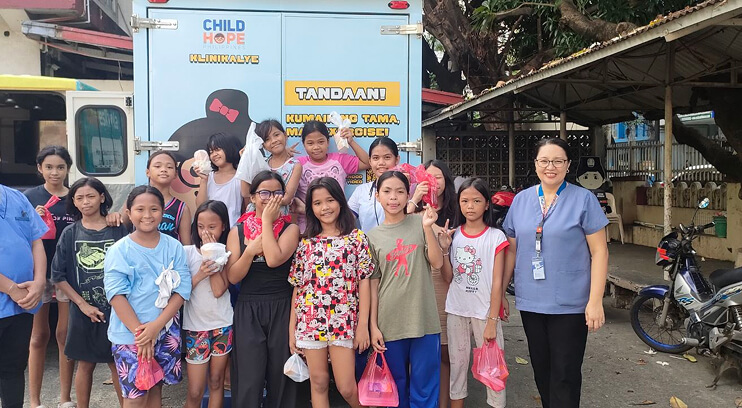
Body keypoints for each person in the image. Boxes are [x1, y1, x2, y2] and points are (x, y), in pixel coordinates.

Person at [502, 138, 609, 408]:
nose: (551, 167)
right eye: (544, 161)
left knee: (565, 374)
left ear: (568, 165)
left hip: (571, 304)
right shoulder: (522, 201)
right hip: (531, 301)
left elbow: (600, 253)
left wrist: (595, 302)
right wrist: (500, 294)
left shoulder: (584, 199)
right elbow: (512, 251)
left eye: (558, 161)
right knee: (541, 370)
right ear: (536, 164)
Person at [288, 177, 372, 408]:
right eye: (317, 203)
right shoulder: (305, 243)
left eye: (330, 200)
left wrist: (362, 325)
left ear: (341, 202)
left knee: (346, 387)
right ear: (311, 208)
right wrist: (292, 329)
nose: (325, 207)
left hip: (343, 323)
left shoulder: (357, 239)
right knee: (319, 382)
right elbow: (298, 286)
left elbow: (364, 282)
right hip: (309, 322)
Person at [104, 186, 192, 407]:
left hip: (165, 329)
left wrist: (156, 327)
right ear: (128, 211)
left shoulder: (174, 246)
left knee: (155, 388)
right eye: (140, 209)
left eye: (154, 209)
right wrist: (142, 334)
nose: (147, 215)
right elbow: (116, 295)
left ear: (162, 212)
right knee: (136, 396)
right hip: (130, 334)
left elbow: (182, 290)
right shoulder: (119, 250)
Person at [367, 171, 444, 408]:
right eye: (387, 192)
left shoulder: (421, 223)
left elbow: (437, 262)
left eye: (400, 191)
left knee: (425, 387)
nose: (394, 198)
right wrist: (373, 326)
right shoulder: (371, 237)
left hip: (424, 320)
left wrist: (429, 228)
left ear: (408, 195)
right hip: (389, 323)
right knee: (394, 389)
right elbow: (373, 284)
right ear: (378, 196)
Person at [226, 171, 300, 408]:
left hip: (283, 304)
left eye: (277, 193)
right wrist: (249, 251)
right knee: (249, 376)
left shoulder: (290, 229)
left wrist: (267, 222)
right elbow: (233, 276)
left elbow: (274, 260)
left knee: (282, 374)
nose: (271, 198)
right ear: (252, 196)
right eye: (264, 193)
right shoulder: (237, 231)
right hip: (248, 306)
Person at [51, 178, 127, 408]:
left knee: (118, 363)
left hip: (117, 311)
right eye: (80, 198)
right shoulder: (70, 233)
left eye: (91, 196)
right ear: (73, 201)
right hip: (83, 310)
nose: (86, 202)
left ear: (102, 197)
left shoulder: (118, 229)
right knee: (85, 364)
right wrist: (82, 305)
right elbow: (58, 275)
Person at [440, 178, 508, 408]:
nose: (470, 206)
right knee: (458, 367)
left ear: (487, 204)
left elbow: (497, 282)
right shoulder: (454, 235)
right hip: (457, 311)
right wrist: (444, 250)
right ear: (458, 204)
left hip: (484, 314)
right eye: (465, 201)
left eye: (476, 201)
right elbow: (448, 277)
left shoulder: (496, 237)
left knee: (493, 370)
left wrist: (492, 319)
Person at [23, 145, 76, 408]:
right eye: (49, 167)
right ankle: (34, 401)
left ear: (68, 169)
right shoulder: (30, 197)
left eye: (60, 167)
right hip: (38, 275)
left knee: (64, 334)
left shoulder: (76, 196)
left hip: (67, 275)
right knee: (38, 336)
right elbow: (18, 234)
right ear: (39, 168)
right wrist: (34, 218)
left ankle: (65, 399)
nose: (55, 173)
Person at [408, 159, 459, 407]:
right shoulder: (413, 210)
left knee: (446, 354)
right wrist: (414, 199)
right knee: (420, 354)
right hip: (416, 286)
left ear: (445, 182)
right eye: (427, 177)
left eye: (437, 177)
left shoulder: (456, 209)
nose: (432, 182)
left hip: (447, 287)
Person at [0, 184, 47, 408]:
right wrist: (11, 289)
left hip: (21, 306)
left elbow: (36, 241)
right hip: (17, 296)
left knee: (13, 370)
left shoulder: (17, 197)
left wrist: (39, 282)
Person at [183, 201, 233, 408]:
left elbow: (219, 290)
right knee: (195, 390)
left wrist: (212, 254)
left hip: (222, 323)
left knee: (216, 381)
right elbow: (181, 292)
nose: (205, 232)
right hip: (196, 328)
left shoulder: (228, 253)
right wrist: (201, 271)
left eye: (212, 227)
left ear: (223, 227)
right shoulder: (186, 253)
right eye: (201, 227)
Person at [295, 120, 370, 232]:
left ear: (328, 142)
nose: (316, 147)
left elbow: (367, 162)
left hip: (338, 225)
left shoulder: (339, 160)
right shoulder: (297, 165)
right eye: (310, 143)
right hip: (308, 226)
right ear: (303, 144)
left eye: (321, 142)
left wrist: (351, 141)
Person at [107, 151, 192, 244]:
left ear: (175, 174)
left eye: (169, 167)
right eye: (157, 166)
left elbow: (186, 246)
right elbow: (121, 227)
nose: (163, 170)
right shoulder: (134, 199)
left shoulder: (182, 208)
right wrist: (114, 217)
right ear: (148, 172)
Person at [241, 119, 302, 216]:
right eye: (267, 139)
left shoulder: (295, 166)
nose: (274, 141)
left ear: (285, 136)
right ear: (263, 146)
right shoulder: (261, 163)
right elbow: (245, 193)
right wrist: (245, 162)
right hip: (255, 218)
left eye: (276, 135)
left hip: (278, 218)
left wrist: (261, 198)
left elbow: (286, 199)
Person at [347, 137, 400, 231]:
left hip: (399, 244)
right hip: (368, 244)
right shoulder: (361, 191)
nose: (381, 163)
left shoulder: (407, 189)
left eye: (387, 157)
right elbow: (346, 220)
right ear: (370, 161)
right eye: (376, 158)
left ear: (397, 160)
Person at [197, 133, 244, 227]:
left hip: (233, 231)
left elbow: (246, 206)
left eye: (217, 150)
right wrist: (203, 180)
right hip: (210, 231)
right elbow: (200, 206)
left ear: (230, 149)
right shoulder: (208, 177)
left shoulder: (240, 177)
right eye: (211, 152)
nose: (214, 155)